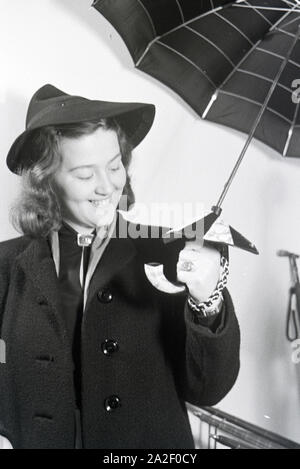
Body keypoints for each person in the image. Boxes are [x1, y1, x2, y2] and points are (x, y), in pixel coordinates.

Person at [0, 85, 240, 449]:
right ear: (44, 180)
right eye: (84, 175)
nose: (108, 186)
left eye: (115, 166)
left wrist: (208, 300)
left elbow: (208, 389)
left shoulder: (169, 248)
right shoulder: (6, 264)